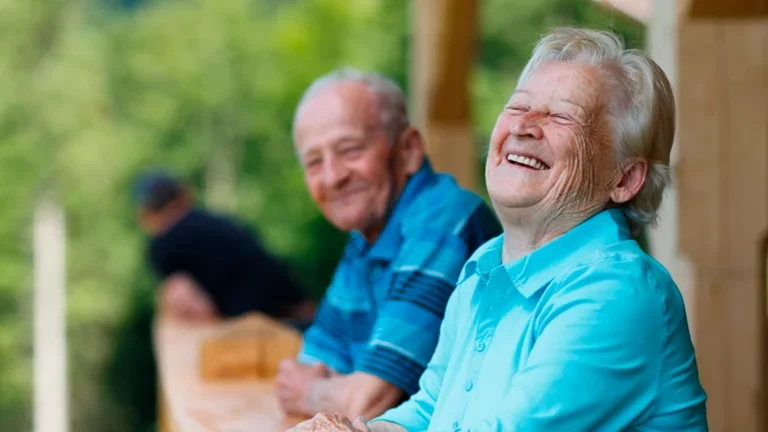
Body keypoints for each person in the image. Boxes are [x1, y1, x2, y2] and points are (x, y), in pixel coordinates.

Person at [288, 27, 708, 432]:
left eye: (563, 116)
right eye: (518, 106)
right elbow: (430, 406)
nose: (524, 126)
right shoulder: (485, 265)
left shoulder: (617, 291)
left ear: (624, 179)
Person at [276, 68, 502, 421]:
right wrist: (340, 388)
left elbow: (370, 403)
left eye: (349, 150)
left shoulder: (443, 220)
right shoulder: (365, 238)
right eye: (315, 162)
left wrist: (314, 393)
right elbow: (313, 359)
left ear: (409, 149)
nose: (334, 176)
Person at [134, 171, 313, 323]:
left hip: (248, 327)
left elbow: (190, 303)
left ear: (145, 213)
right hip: (293, 309)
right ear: (184, 195)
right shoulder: (222, 221)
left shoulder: (162, 245)